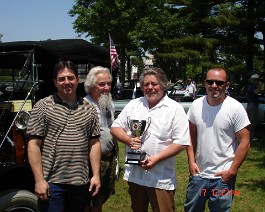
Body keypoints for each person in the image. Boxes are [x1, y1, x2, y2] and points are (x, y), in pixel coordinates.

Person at [110, 67, 190, 212]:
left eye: (154, 84)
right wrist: (128, 140)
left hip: (160, 177)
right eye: (146, 84)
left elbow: (182, 142)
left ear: (163, 85)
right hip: (136, 175)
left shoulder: (174, 109)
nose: (150, 88)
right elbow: (115, 127)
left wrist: (157, 159)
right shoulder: (134, 105)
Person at [26, 61, 101, 212]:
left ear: (77, 79)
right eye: (61, 79)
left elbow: (94, 143)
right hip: (52, 183)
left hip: (80, 182)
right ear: (55, 82)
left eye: (70, 78)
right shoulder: (43, 106)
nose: (66, 82)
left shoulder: (89, 109)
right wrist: (39, 180)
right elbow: (33, 145)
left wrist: (96, 175)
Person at [184, 67, 250, 212]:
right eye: (210, 82)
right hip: (199, 175)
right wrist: (191, 161)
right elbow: (191, 135)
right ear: (205, 83)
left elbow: (245, 141)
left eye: (219, 83)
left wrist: (232, 170)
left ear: (227, 85)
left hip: (223, 178)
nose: (214, 86)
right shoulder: (196, 106)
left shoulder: (235, 108)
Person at [84, 66, 118, 212]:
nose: (106, 87)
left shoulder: (108, 103)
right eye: (102, 84)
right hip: (90, 163)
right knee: (88, 201)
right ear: (91, 86)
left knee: (101, 199)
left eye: (108, 83)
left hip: (108, 159)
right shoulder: (84, 106)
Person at [246, 74, 260, 141]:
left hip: (251, 104)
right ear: (254, 80)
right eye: (257, 80)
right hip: (253, 105)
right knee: (252, 121)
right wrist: (259, 88)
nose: (258, 82)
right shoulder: (252, 87)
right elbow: (256, 92)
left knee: (250, 120)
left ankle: (249, 135)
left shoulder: (250, 86)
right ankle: (251, 136)